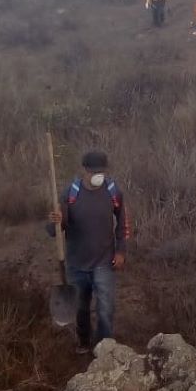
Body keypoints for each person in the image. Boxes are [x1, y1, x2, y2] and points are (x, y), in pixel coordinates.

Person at [47, 150, 129, 351]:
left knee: (105, 308)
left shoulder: (113, 191)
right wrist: (56, 221)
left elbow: (123, 223)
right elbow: (53, 231)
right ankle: (84, 341)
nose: (97, 175)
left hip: (104, 261)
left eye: (101, 171)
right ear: (84, 170)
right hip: (77, 264)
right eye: (93, 171)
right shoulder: (70, 193)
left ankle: (105, 347)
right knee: (81, 308)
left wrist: (121, 251)